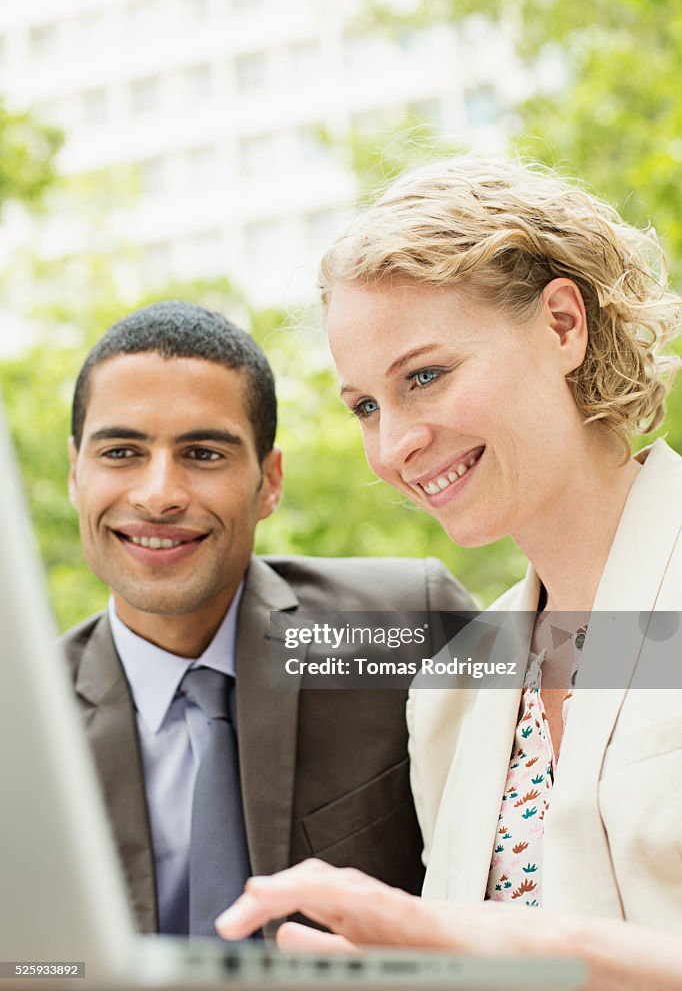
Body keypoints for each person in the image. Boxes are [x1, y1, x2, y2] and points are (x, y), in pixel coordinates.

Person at [215, 159, 682, 988]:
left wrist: (517, 951)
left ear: (564, 324)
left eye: (424, 376)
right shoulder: (451, 691)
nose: (393, 446)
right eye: (365, 406)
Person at [61, 299, 473, 938]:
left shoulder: (407, 623)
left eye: (203, 454)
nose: (159, 494)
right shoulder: (24, 722)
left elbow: (621, 673)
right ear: (74, 474)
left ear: (270, 483)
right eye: (120, 452)